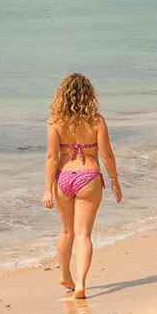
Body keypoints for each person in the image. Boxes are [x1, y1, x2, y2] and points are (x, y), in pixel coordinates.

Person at [43, 73, 122, 299]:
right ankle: (80, 284)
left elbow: (51, 156)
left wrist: (48, 189)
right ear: (89, 94)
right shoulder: (97, 121)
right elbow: (106, 155)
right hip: (89, 177)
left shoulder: (54, 121)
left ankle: (64, 273)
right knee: (83, 234)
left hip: (63, 178)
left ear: (62, 94)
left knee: (66, 231)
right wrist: (115, 181)